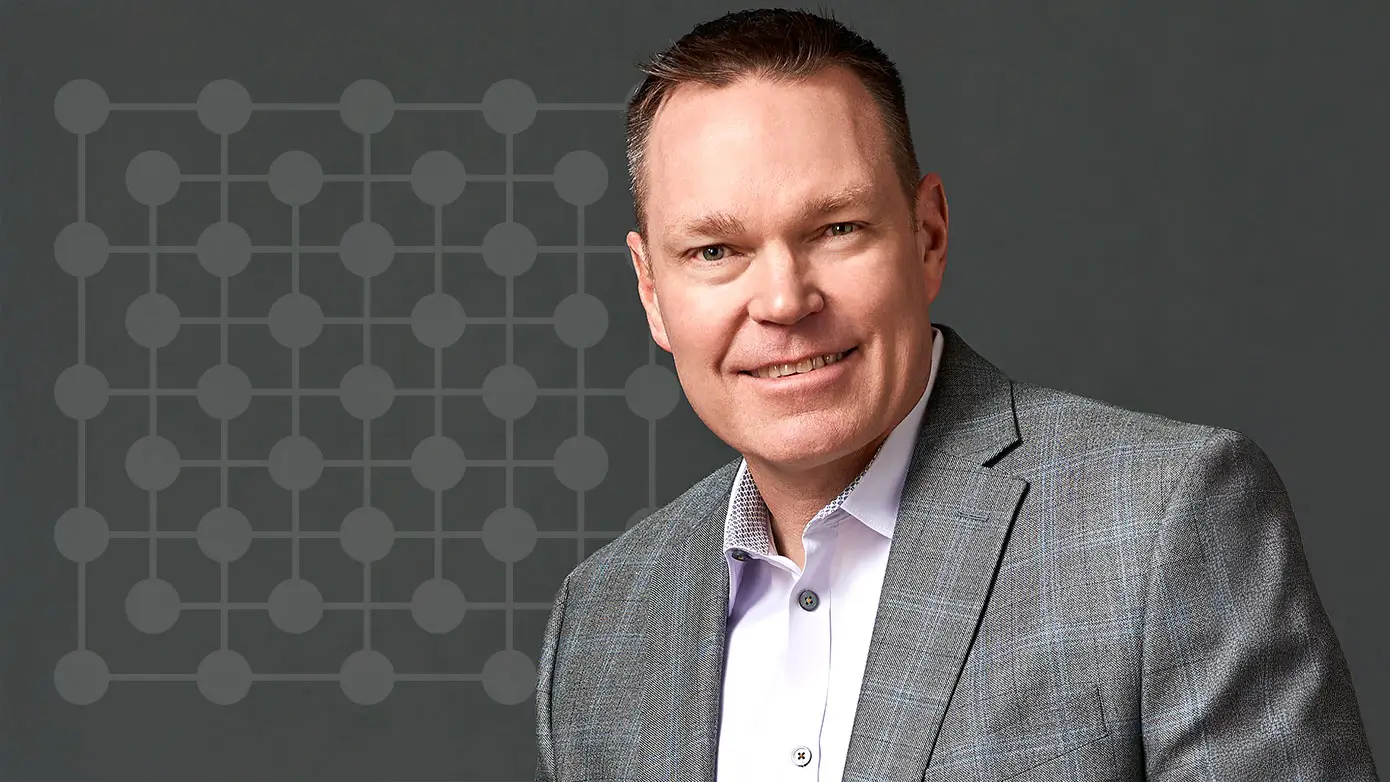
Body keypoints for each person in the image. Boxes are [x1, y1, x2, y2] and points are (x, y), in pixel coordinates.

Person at [532, 8, 1379, 781]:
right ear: (652, 291)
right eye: (716, 252)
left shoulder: (1161, 523)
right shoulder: (602, 623)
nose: (784, 301)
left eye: (836, 229)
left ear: (928, 236)